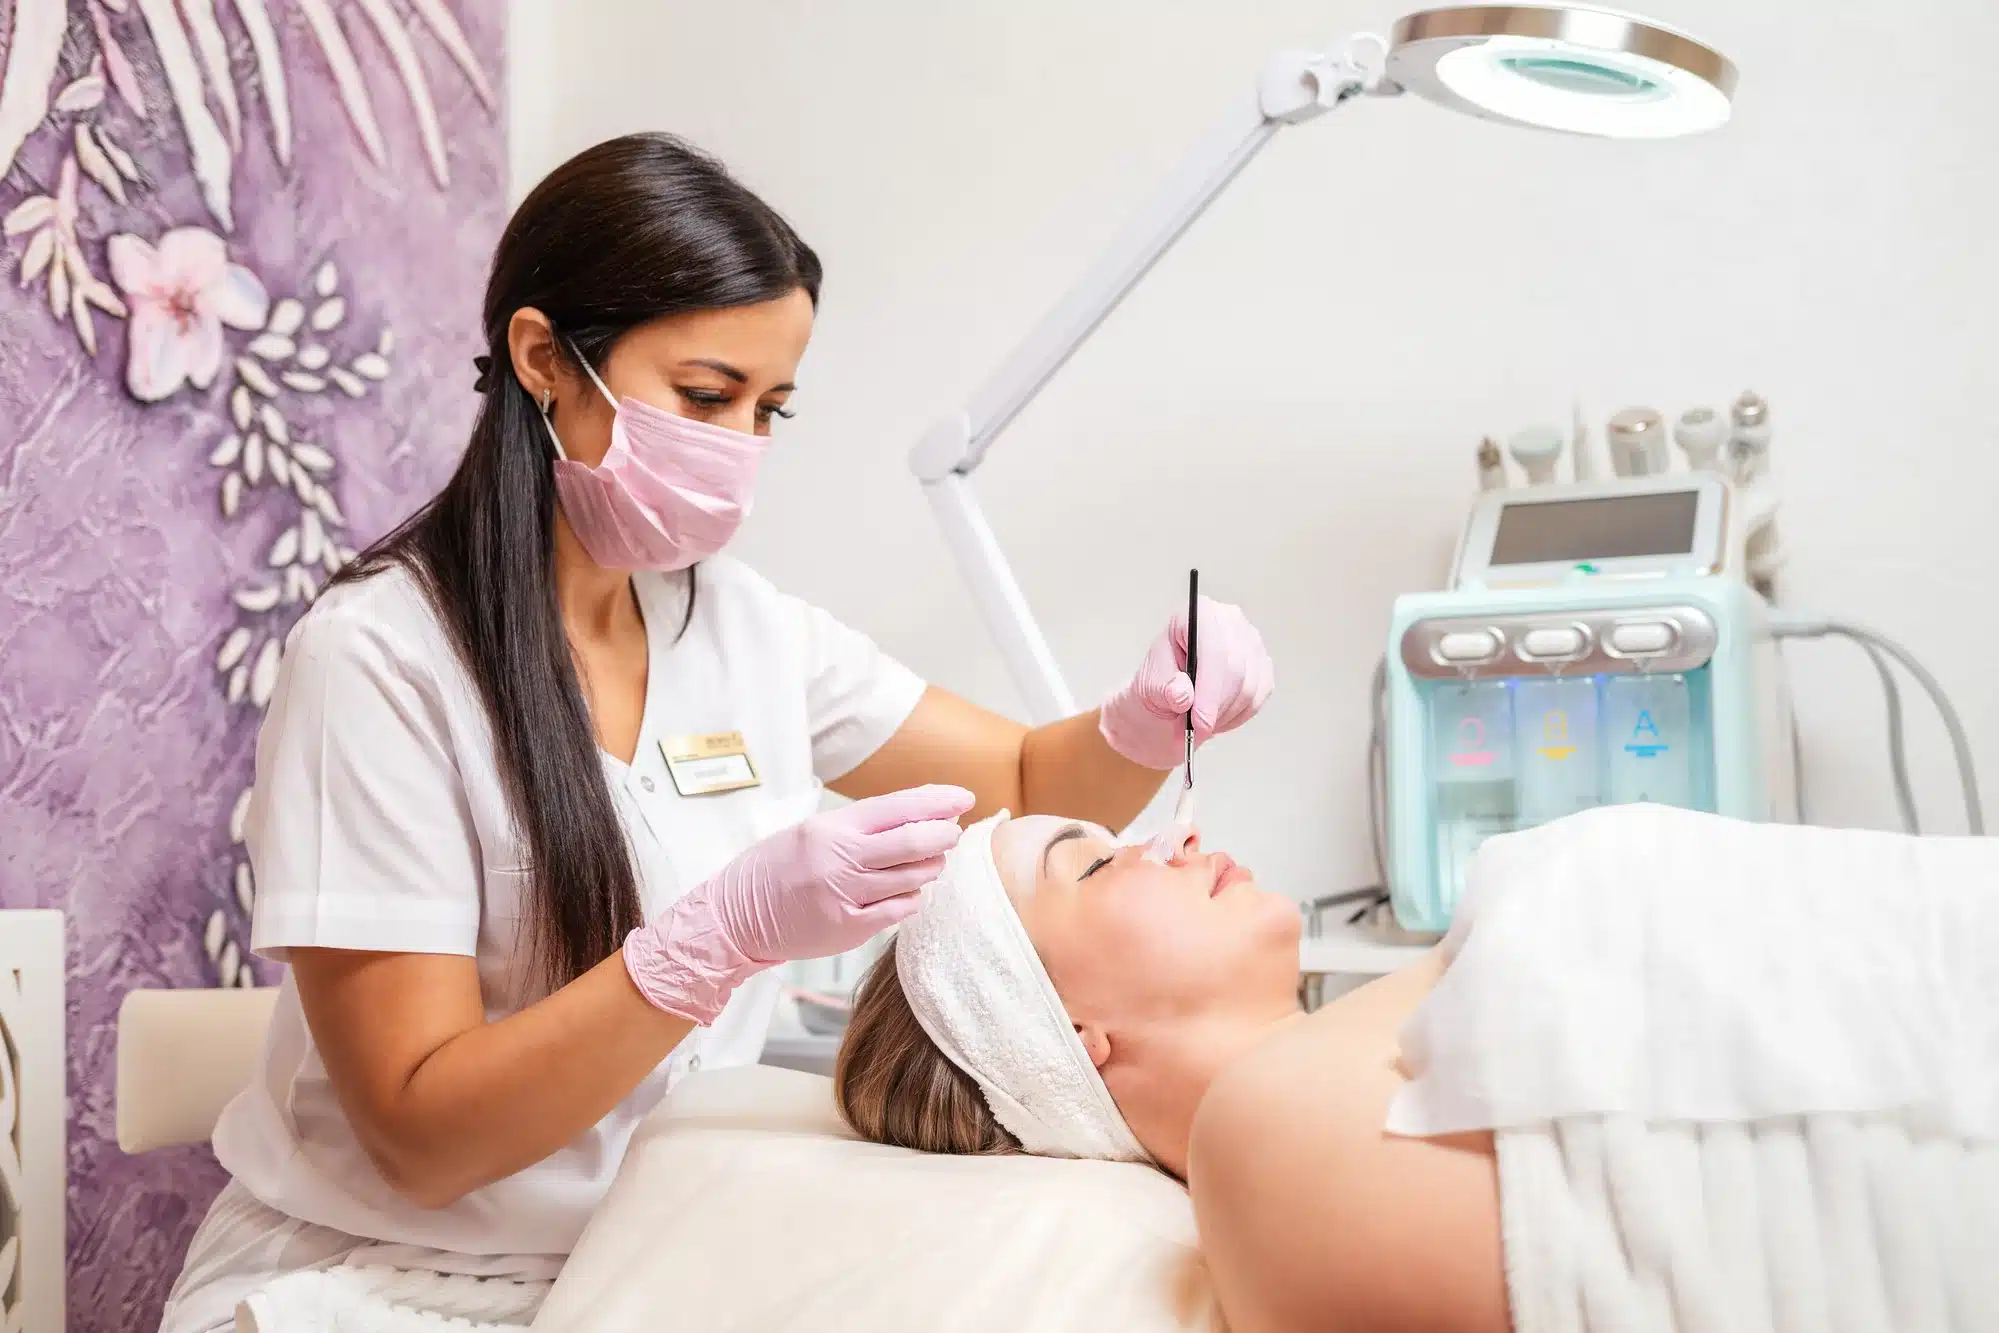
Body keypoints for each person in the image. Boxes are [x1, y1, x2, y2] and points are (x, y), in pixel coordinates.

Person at [160, 133, 1277, 1332]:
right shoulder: (382, 661)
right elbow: (420, 1140)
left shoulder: (742, 627)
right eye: (706, 396)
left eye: (769, 408)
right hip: (381, 1274)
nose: (741, 446)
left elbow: (1014, 776)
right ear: (543, 358)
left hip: (649, 1261)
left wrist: (1141, 721)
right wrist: (710, 944)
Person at [834, 813, 1509, 1333]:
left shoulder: (1342, 1060)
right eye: (1096, 864)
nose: (1179, 836)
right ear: (1061, 1031)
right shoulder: (1257, 1140)